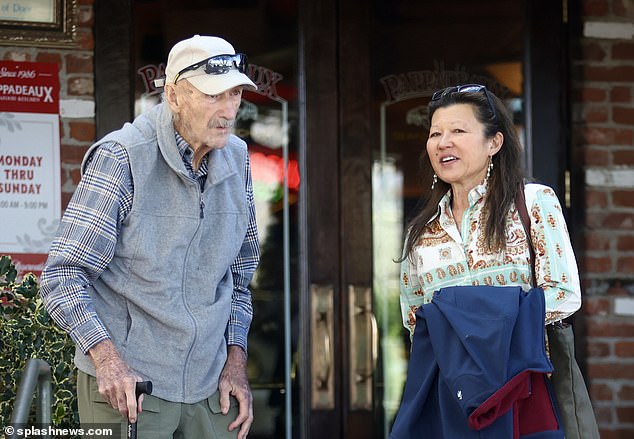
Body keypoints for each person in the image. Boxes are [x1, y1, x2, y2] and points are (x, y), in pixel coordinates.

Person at [40, 35, 260, 439]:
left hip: (210, 386)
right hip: (130, 384)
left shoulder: (238, 158)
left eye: (235, 94)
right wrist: (107, 361)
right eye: (213, 96)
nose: (229, 110)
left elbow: (239, 279)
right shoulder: (122, 156)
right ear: (174, 96)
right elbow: (63, 276)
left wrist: (235, 361)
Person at [392, 84, 582, 436]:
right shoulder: (420, 233)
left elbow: (565, 293)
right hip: (449, 399)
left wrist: (468, 317)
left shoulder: (533, 202)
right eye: (435, 133)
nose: (443, 142)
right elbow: (416, 322)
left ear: (494, 143)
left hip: (523, 391)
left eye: (458, 131)